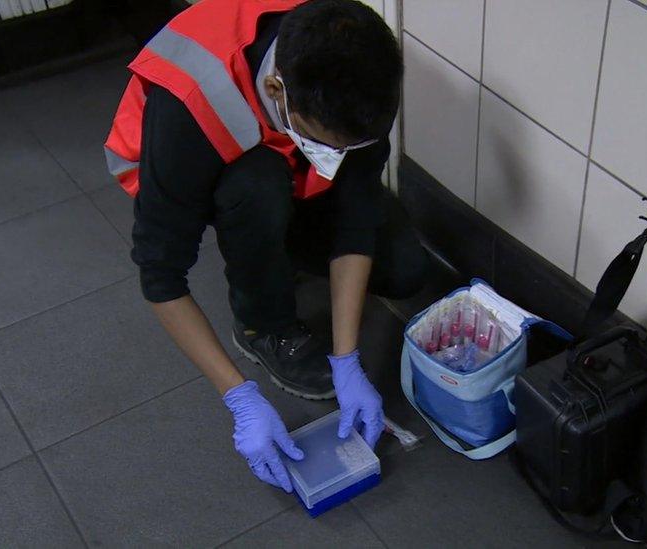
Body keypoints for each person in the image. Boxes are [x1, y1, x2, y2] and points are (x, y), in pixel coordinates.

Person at [104, 0, 428, 493]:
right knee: (254, 187)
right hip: (206, 169)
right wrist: (240, 399)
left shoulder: (353, 68)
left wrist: (346, 359)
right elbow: (160, 277)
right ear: (277, 90)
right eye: (332, 144)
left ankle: (275, 244)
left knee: (404, 268)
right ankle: (261, 324)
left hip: (289, 162)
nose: (343, 157)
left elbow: (356, 220)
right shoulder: (188, 107)